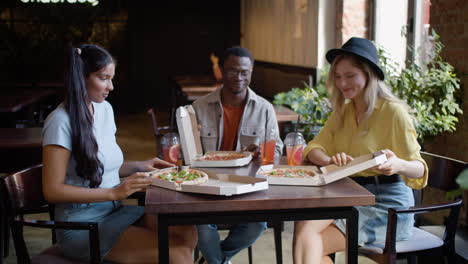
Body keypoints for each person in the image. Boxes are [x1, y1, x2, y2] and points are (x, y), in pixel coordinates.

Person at [42, 44, 197, 263]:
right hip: (82, 225)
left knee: (186, 231)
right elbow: (52, 190)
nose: (111, 86)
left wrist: (139, 166)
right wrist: (113, 193)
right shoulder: (60, 121)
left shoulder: (104, 109)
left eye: (111, 78)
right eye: (103, 78)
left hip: (114, 212)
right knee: (178, 254)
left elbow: (96, 166)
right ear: (81, 78)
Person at [292, 37, 428, 264]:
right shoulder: (344, 111)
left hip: (387, 205)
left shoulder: (393, 113)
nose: (342, 83)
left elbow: (419, 169)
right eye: (337, 76)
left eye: (350, 76)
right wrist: (330, 160)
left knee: (308, 240)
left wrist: (398, 165)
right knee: (305, 226)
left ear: (369, 74)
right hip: (349, 195)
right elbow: (313, 148)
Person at [192, 46, 283, 264]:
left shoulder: (265, 109)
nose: (239, 77)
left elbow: (277, 151)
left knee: (258, 223)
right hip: (207, 187)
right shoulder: (199, 107)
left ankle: (213, 260)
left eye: (245, 72)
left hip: (247, 187)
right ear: (222, 71)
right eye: (233, 71)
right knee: (200, 224)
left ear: (251, 72)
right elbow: (190, 154)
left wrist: (265, 155)